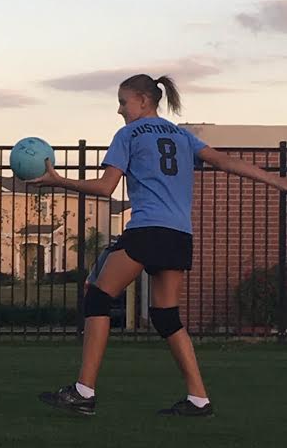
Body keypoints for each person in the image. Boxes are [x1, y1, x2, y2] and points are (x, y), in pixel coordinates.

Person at [28, 74, 287, 417]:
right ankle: (198, 399)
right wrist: (276, 180)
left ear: (143, 100)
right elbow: (226, 162)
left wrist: (58, 181)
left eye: (123, 102)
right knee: (166, 316)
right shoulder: (182, 135)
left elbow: (105, 188)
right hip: (179, 235)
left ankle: (83, 392)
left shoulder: (128, 135)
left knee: (98, 297)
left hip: (148, 230)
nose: (119, 110)